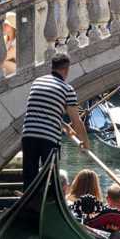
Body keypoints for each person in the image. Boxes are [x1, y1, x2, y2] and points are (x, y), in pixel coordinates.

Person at [21, 54, 89, 190]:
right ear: (66, 69)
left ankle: (29, 202)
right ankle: (47, 202)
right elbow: (76, 121)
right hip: (49, 138)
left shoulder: (38, 82)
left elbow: (43, 110)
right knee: (50, 179)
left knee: (30, 177)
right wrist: (85, 142)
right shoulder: (67, 89)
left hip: (28, 134)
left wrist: (64, 126)